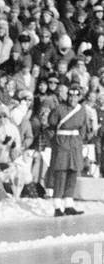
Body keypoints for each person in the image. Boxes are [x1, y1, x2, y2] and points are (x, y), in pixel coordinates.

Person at [48, 83, 93, 216]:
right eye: (70, 96)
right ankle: (57, 206)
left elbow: (83, 128)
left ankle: (69, 204)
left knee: (73, 172)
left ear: (79, 97)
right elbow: (51, 125)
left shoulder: (82, 110)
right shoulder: (59, 109)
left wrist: (80, 141)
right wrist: (56, 142)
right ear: (67, 96)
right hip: (62, 143)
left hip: (75, 144)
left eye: (76, 96)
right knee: (61, 173)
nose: (73, 99)